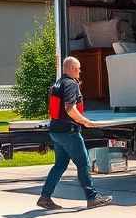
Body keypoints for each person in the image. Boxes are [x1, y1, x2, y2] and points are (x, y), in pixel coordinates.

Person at [37, 56, 113, 210]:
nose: (80, 72)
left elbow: (54, 109)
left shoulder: (57, 84)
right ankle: (92, 198)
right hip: (68, 132)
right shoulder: (71, 84)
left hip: (56, 131)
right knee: (83, 163)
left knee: (59, 165)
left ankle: (45, 198)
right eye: (78, 69)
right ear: (71, 68)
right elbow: (69, 108)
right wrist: (86, 122)